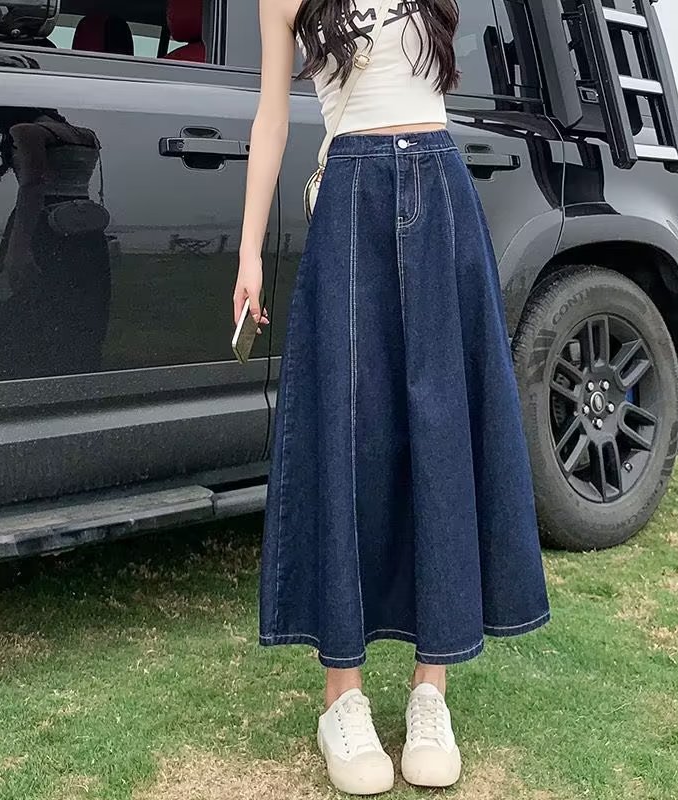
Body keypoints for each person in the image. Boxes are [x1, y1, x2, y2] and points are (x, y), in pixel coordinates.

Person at [234, 0, 550, 793]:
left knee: (439, 431)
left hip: (440, 190)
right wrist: (248, 252)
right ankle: (341, 698)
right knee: (350, 435)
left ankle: (429, 689)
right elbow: (271, 119)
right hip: (350, 196)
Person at [0, 106, 110, 382]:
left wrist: (18, 249)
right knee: (78, 307)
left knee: (22, 302)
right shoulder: (87, 135)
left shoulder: (26, 131)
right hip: (83, 226)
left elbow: (33, 184)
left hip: (43, 225)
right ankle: (75, 372)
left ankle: (12, 374)